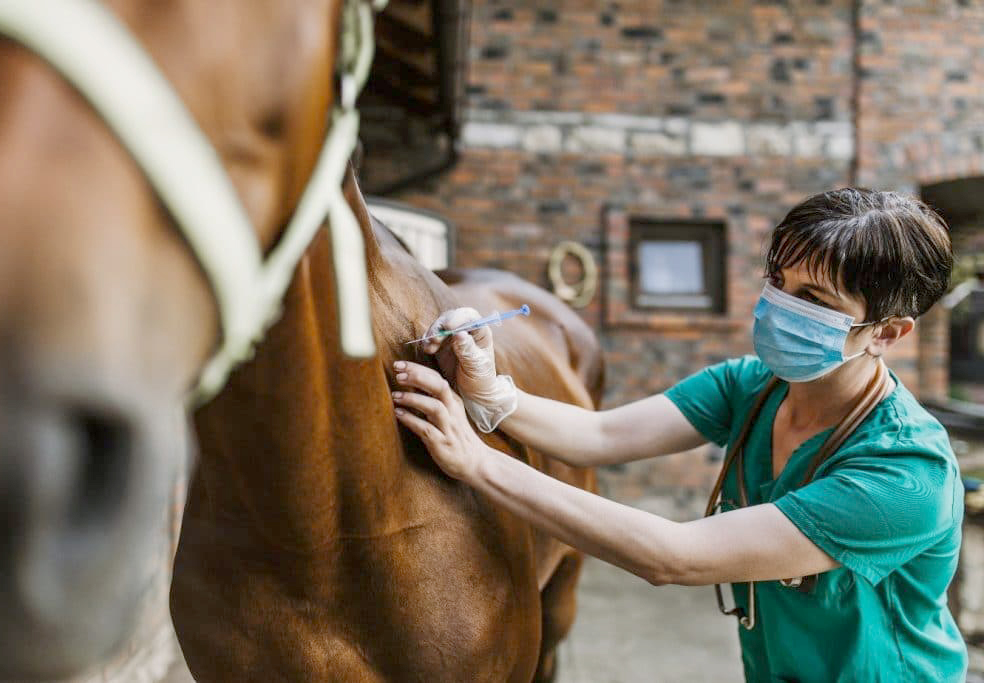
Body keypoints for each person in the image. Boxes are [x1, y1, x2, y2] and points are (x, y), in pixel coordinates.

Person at [391, 188, 967, 682]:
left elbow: (676, 556)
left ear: (887, 332)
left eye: (813, 300)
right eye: (777, 282)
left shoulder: (905, 473)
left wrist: (478, 462)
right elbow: (601, 435)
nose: (778, 307)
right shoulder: (754, 387)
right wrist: (492, 393)